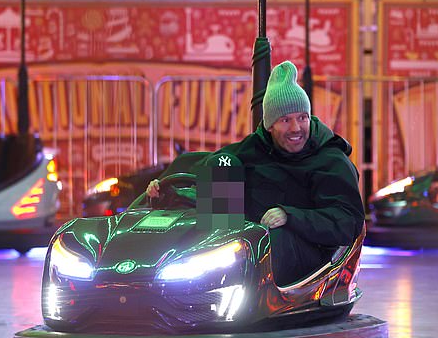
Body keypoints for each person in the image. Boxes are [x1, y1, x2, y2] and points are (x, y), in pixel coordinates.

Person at [146, 60, 365, 285]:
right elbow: (204, 177)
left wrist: (290, 216)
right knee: (223, 163)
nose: (296, 128)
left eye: (302, 117)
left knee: (270, 239)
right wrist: (167, 192)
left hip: (310, 252)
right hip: (250, 247)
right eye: (285, 120)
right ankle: (200, 281)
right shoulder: (254, 148)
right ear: (269, 125)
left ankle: (231, 287)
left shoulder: (330, 161)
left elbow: (348, 223)